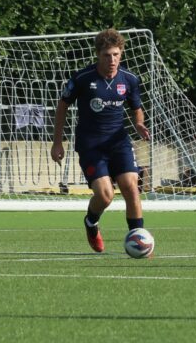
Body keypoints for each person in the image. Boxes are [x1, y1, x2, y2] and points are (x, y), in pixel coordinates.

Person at [51, 28, 150, 253]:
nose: (112, 59)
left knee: (131, 187)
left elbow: (137, 109)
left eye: (116, 54)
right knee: (105, 195)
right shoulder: (82, 78)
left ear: (121, 53)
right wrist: (57, 142)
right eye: (107, 55)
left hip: (119, 142)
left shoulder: (130, 79)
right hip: (91, 145)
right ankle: (91, 222)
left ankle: (138, 240)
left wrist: (139, 124)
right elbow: (62, 106)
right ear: (98, 54)